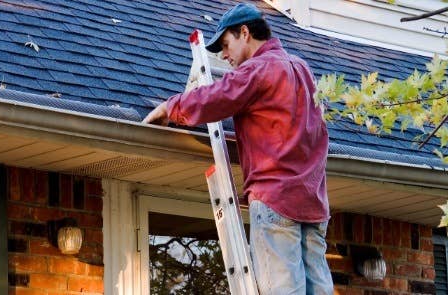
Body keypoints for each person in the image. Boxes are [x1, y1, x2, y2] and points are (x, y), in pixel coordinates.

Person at [142, 3, 333, 294]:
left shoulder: (260, 69)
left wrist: (171, 107)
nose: (224, 55)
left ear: (245, 33)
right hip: (313, 204)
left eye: (226, 45)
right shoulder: (303, 70)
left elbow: (216, 97)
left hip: (275, 201)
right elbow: (321, 131)